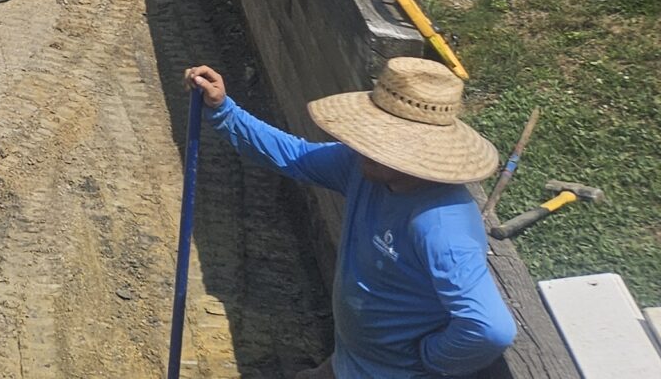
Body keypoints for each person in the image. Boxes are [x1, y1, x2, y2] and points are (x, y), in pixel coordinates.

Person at [183, 58, 516, 378]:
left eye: (374, 136)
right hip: (351, 361)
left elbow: (490, 328)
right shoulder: (364, 168)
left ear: (413, 149)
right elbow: (296, 156)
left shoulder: (441, 225)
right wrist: (224, 110)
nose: (358, 143)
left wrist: (428, 359)